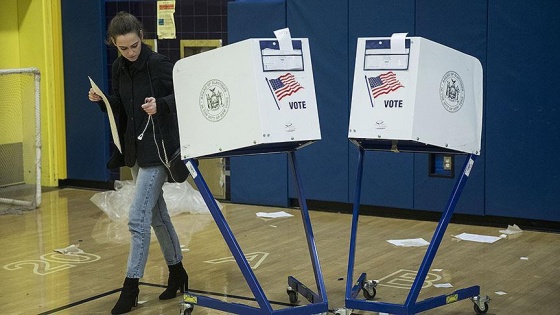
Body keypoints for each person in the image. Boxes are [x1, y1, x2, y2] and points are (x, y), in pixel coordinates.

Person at [88, 12, 187, 314]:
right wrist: (102, 101)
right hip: (134, 148)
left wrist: (162, 105)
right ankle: (178, 273)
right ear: (114, 45)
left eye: (133, 46)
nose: (130, 53)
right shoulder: (119, 67)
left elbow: (184, 95)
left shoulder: (158, 64)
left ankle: (131, 287)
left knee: (137, 217)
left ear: (141, 37)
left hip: (158, 151)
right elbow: (122, 107)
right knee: (157, 216)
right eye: (123, 48)